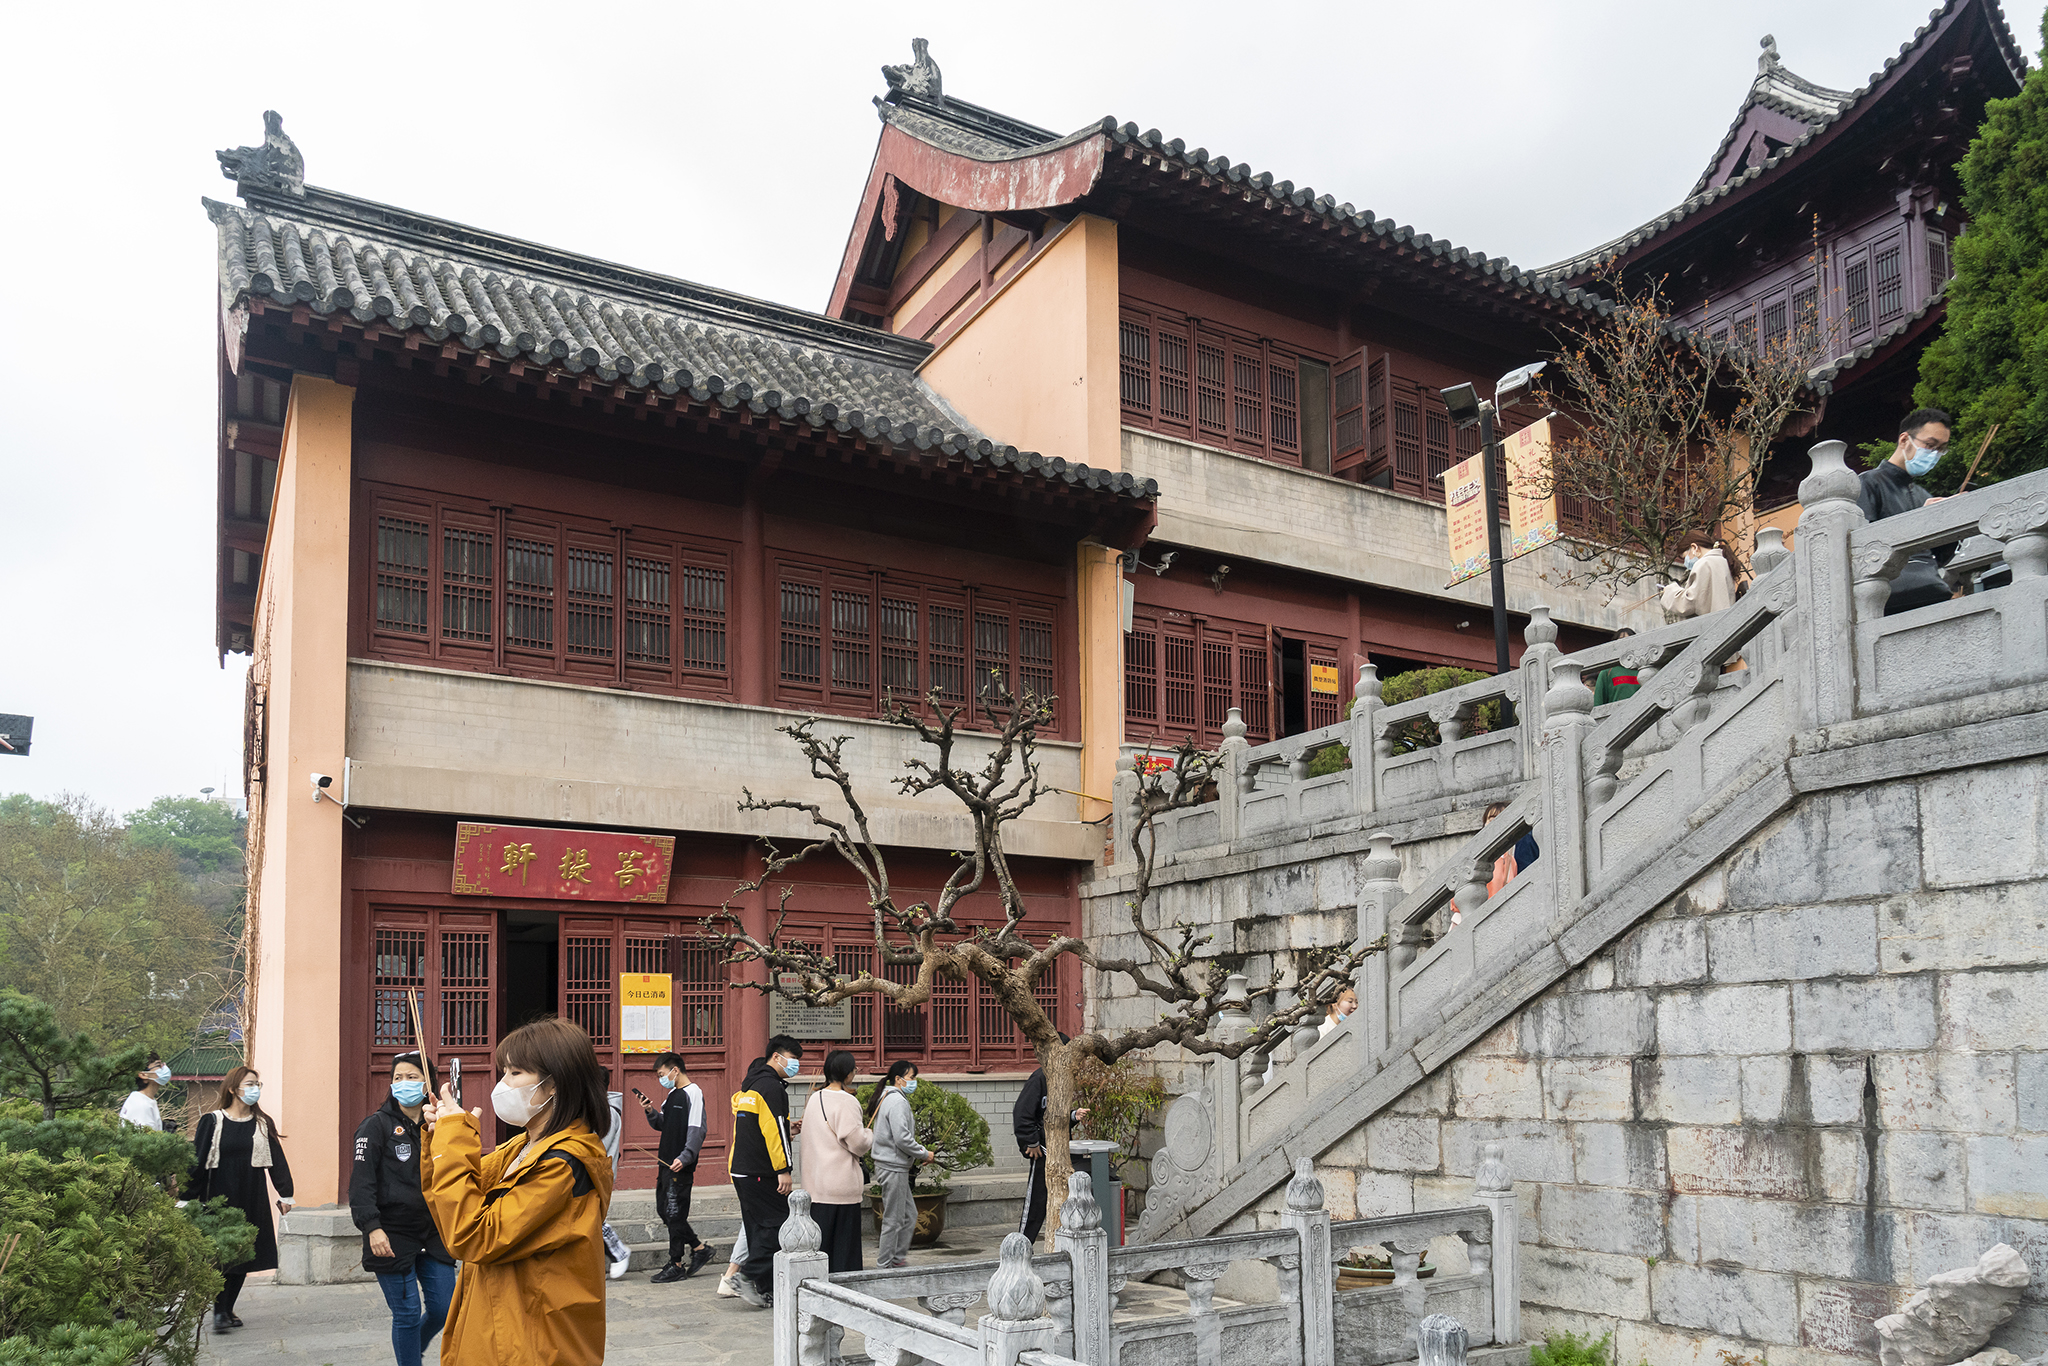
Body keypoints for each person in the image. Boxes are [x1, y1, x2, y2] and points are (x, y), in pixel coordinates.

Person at [421, 1015, 613, 1366]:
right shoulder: (522, 1147)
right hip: (493, 1325)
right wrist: (441, 1138)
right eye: (504, 1072)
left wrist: (454, 1140)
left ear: (554, 1084)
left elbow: (474, 1235)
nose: (502, 1084)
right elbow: (451, 1203)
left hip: (529, 1345)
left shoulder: (563, 1164)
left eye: (515, 1073)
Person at [349, 1052, 455, 1366]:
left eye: (412, 1077)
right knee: (406, 1315)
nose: (403, 1084)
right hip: (392, 1233)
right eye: (398, 1078)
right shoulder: (375, 1126)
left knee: (444, 1309)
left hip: (434, 1231)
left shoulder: (441, 1125)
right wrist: (372, 1227)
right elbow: (361, 1184)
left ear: (427, 1084)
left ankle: (410, 1351)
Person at [186, 1065, 295, 1334]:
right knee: (221, 1257)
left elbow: (277, 1161)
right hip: (219, 1199)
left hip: (252, 1195)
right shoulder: (212, 1121)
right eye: (249, 1084)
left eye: (257, 1084)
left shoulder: (262, 1123)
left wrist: (285, 1194)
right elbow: (197, 1161)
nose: (254, 1088)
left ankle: (227, 1307)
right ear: (233, 1089)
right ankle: (219, 1311)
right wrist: (186, 1197)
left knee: (245, 1255)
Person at [728, 1034, 803, 1308]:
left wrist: (787, 1130)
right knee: (779, 1225)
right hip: (761, 1171)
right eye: (793, 1060)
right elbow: (775, 1131)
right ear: (776, 1057)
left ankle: (763, 1288)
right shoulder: (772, 1088)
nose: (795, 1066)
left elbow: (763, 1130)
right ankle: (747, 1276)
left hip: (741, 1169)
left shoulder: (751, 1086)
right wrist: (784, 1169)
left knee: (757, 1228)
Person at [1861, 407, 1958, 614]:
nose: (1935, 454)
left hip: (1932, 588)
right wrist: (1919, 520)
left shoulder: (1924, 494)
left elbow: (1939, 557)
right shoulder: (1868, 483)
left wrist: (1951, 516)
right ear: (1904, 440)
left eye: (1941, 449)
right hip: (1891, 593)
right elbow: (1863, 547)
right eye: (1930, 445)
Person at [641, 1052, 715, 1282]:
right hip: (665, 1163)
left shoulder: (694, 1092)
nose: (661, 1078)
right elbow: (664, 1124)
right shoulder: (672, 1095)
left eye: (662, 1074)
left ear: (675, 1070)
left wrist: (686, 1156)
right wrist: (650, 1112)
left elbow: (697, 1128)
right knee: (664, 1211)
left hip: (679, 1165)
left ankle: (676, 1263)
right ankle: (700, 1248)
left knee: (674, 1213)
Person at [799, 1050, 873, 1274]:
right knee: (844, 1251)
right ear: (848, 1074)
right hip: (840, 1185)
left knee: (821, 1248)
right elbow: (857, 1142)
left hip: (815, 1183)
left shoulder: (814, 1098)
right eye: (854, 1070)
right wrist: (870, 1133)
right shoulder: (847, 1101)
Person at [1012, 1039, 1088, 1244]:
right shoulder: (1038, 1079)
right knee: (1036, 1201)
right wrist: (1031, 1142)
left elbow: (1056, 1117)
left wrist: (1073, 1116)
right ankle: (1022, 1245)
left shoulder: (1063, 1080)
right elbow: (1022, 1114)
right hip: (1042, 1150)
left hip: (1060, 1151)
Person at [865, 1060, 934, 1270]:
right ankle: (885, 1264)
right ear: (899, 1079)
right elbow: (902, 1138)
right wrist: (924, 1152)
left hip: (893, 1165)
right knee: (893, 1219)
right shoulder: (897, 1102)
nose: (914, 1082)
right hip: (892, 1166)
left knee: (909, 1214)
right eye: (912, 1078)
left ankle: (896, 1259)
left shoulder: (888, 1097)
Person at [1660, 535, 1736, 621]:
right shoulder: (1722, 561)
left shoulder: (1703, 564)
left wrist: (1671, 591)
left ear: (1694, 547)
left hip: (1710, 623)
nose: (1686, 562)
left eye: (1685, 557)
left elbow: (1691, 602)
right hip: (1726, 621)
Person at [599, 1090, 631, 1280]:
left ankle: (618, 1252)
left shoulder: (608, 1113)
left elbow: (598, 1145)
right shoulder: (599, 1109)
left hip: (597, 1173)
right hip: (591, 1171)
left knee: (593, 1217)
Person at [120, 1054, 172, 1131]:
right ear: (143, 1074)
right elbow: (143, 1139)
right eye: (158, 1066)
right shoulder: (140, 1105)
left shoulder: (146, 1100)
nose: (164, 1068)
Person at [1591, 628, 1643, 706]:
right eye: (1621, 641)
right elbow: (1598, 702)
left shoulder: (1643, 669)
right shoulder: (1607, 671)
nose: (1625, 644)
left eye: (1629, 640)